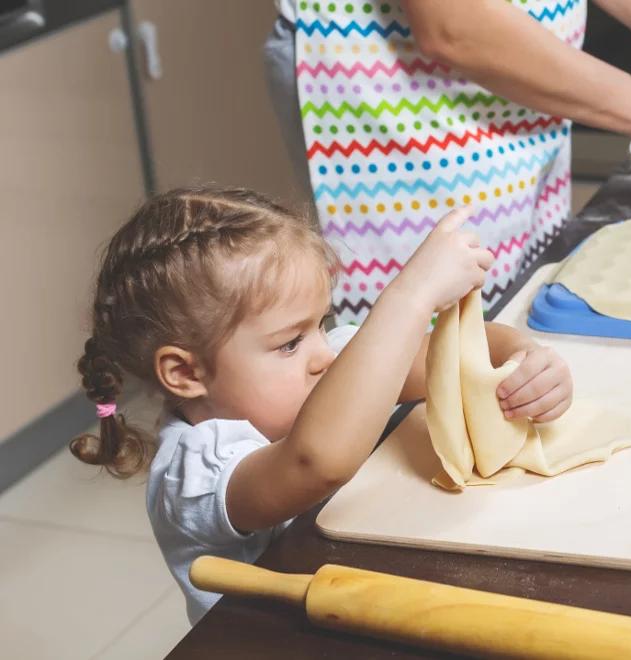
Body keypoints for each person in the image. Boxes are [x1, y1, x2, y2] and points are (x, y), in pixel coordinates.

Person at [70, 187, 574, 623]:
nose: (321, 354)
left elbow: (443, 359)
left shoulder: (324, 357)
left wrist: (521, 357)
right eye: (289, 343)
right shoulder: (194, 476)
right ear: (186, 374)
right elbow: (316, 461)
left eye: (321, 322)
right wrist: (410, 296)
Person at [264, 0, 631, 323]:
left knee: (509, 321)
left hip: (518, 94)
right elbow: (454, 23)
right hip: (395, 98)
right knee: (420, 362)